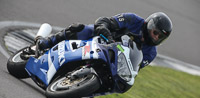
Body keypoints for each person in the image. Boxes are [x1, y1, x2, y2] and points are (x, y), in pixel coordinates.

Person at [36, 12, 172, 68]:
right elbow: (104, 21)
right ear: (149, 25)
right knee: (82, 29)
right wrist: (107, 36)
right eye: (155, 33)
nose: (155, 37)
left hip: (113, 60)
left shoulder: (151, 53)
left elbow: (135, 68)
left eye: (160, 37)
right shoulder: (133, 20)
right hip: (101, 40)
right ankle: (47, 42)